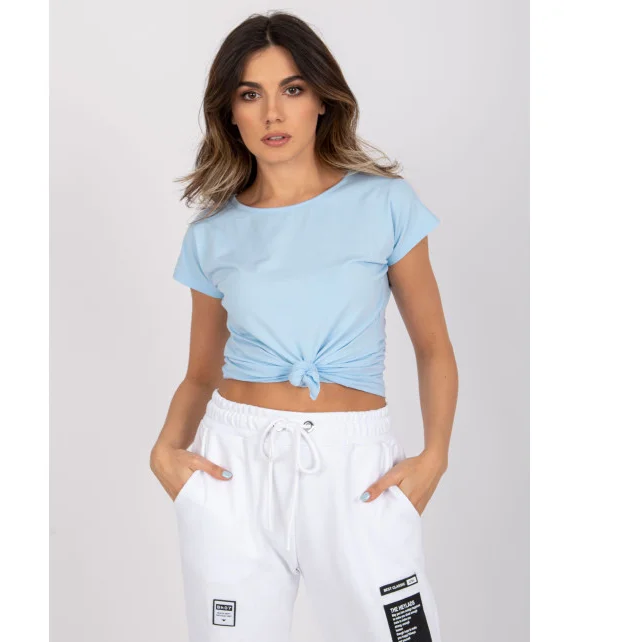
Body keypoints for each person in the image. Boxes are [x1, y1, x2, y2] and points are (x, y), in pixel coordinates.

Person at [150, 10, 458, 642]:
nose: (273, 113)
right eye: (250, 94)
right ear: (230, 113)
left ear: (321, 99)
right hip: (234, 466)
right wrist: (166, 452)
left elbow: (433, 347)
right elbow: (200, 373)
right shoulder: (212, 235)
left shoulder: (385, 204)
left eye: (291, 89)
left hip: (356, 470)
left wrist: (435, 457)